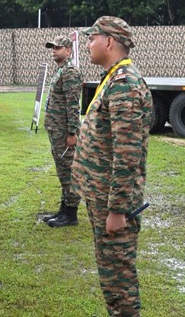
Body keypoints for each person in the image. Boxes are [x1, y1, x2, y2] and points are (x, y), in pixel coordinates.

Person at [71, 16, 152, 316]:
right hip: (101, 197)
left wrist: (117, 209)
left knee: (119, 276)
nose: (89, 44)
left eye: (92, 38)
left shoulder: (125, 85)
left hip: (112, 202)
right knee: (111, 274)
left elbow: (127, 153)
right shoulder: (113, 78)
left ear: (109, 41)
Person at [42, 35, 83, 228]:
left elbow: (73, 104)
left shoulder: (70, 72)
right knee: (62, 170)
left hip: (65, 133)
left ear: (68, 50)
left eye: (57, 47)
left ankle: (70, 214)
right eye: (52, 47)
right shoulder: (61, 70)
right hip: (57, 131)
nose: (53, 50)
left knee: (69, 171)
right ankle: (64, 208)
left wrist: (72, 133)